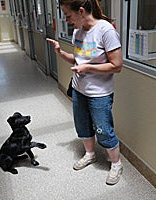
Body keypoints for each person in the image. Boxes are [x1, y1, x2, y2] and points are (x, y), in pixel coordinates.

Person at [47, 0, 123, 185]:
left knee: (103, 130)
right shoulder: (78, 31)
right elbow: (79, 59)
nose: (67, 20)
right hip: (79, 88)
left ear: (81, 11)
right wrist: (61, 53)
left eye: (68, 15)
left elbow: (117, 65)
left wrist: (89, 68)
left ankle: (116, 164)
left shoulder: (106, 31)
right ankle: (90, 154)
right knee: (82, 124)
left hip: (100, 93)